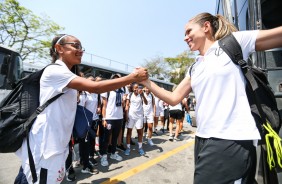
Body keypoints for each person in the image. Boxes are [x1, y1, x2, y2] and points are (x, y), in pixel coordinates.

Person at [140, 12, 282, 183]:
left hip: (231, 139)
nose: (185, 38)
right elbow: (173, 97)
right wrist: (147, 82)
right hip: (203, 138)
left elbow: (277, 36)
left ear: (206, 27)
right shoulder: (195, 67)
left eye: (188, 32)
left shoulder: (234, 42)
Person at [14, 34, 148, 184]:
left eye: (81, 47)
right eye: (75, 46)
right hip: (45, 149)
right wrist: (132, 77)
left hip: (55, 146)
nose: (80, 50)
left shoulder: (66, 74)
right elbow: (96, 87)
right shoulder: (55, 70)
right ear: (59, 48)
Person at [99, 73, 125, 167]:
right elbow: (104, 106)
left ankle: (113, 153)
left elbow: (123, 105)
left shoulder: (122, 90)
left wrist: (123, 102)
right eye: (114, 79)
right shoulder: (107, 90)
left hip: (119, 117)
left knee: (115, 137)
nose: (116, 81)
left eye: (118, 79)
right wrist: (104, 118)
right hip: (109, 117)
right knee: (106, 139)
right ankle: (104, 156)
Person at [124, 83, 148, 156]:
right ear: (132, 88)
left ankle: (140, 148)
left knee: (140, 132)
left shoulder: (141, 95)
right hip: (131, 116)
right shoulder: (130, 95)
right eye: (135, 87)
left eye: (138, 87)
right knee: (129, 132)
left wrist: (143, 95)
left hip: (139, 116)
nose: (136, 89)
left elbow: (146, 103)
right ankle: (128, 148)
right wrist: (126, 115)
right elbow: (127, 105)